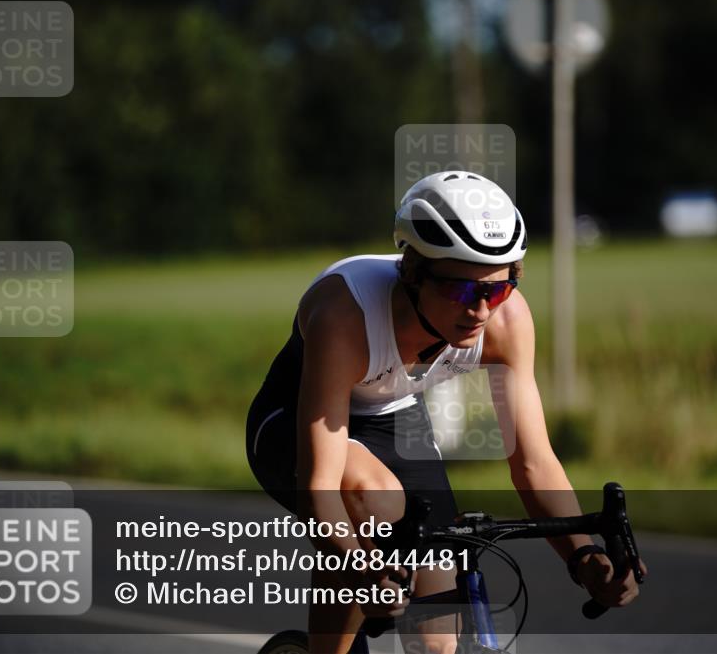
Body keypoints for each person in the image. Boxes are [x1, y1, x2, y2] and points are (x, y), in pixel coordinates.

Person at [246, 171, 646, 654]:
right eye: (461, 290)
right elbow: (321, 488)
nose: (480, 310)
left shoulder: (508, 321)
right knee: (375, 499)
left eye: (497, 290)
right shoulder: (345, 313)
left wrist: (584, 556)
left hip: (392, 418)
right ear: (413, 272)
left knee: (437, 641)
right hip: (293, 422)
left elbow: (533, 461)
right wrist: (361, 566)